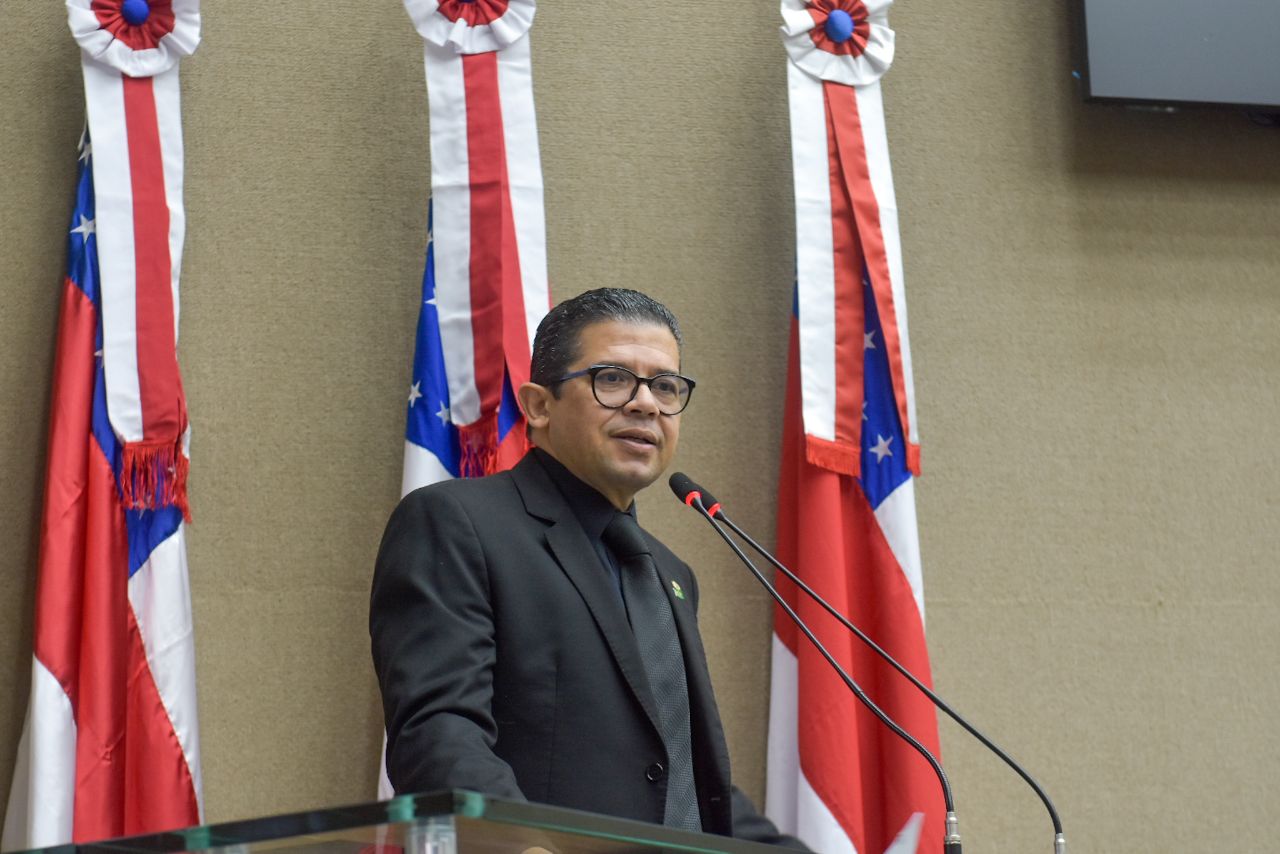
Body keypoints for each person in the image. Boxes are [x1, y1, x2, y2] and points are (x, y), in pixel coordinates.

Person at [370, 288, 805, 848]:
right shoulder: (459, 523)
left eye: (666, 386)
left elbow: (684, 782)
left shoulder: (671, 575)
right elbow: (439, 735)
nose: (646, 404)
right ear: (538, 405)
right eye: (614, 378)